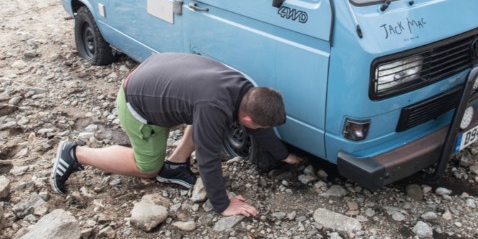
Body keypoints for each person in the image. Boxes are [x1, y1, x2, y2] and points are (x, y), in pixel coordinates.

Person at [51, 52, 302, 216]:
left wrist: (283, 156)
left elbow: (258, 127)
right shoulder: (214, 106)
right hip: (136, 104)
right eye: (257, 125)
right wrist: (222, 204)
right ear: (248, 118)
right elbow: (208, 157)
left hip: (156, 75)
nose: (257, 129)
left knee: (208, 121)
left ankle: (176, 165)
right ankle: (75, 153)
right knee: (148, 167)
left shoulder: (245, 90)